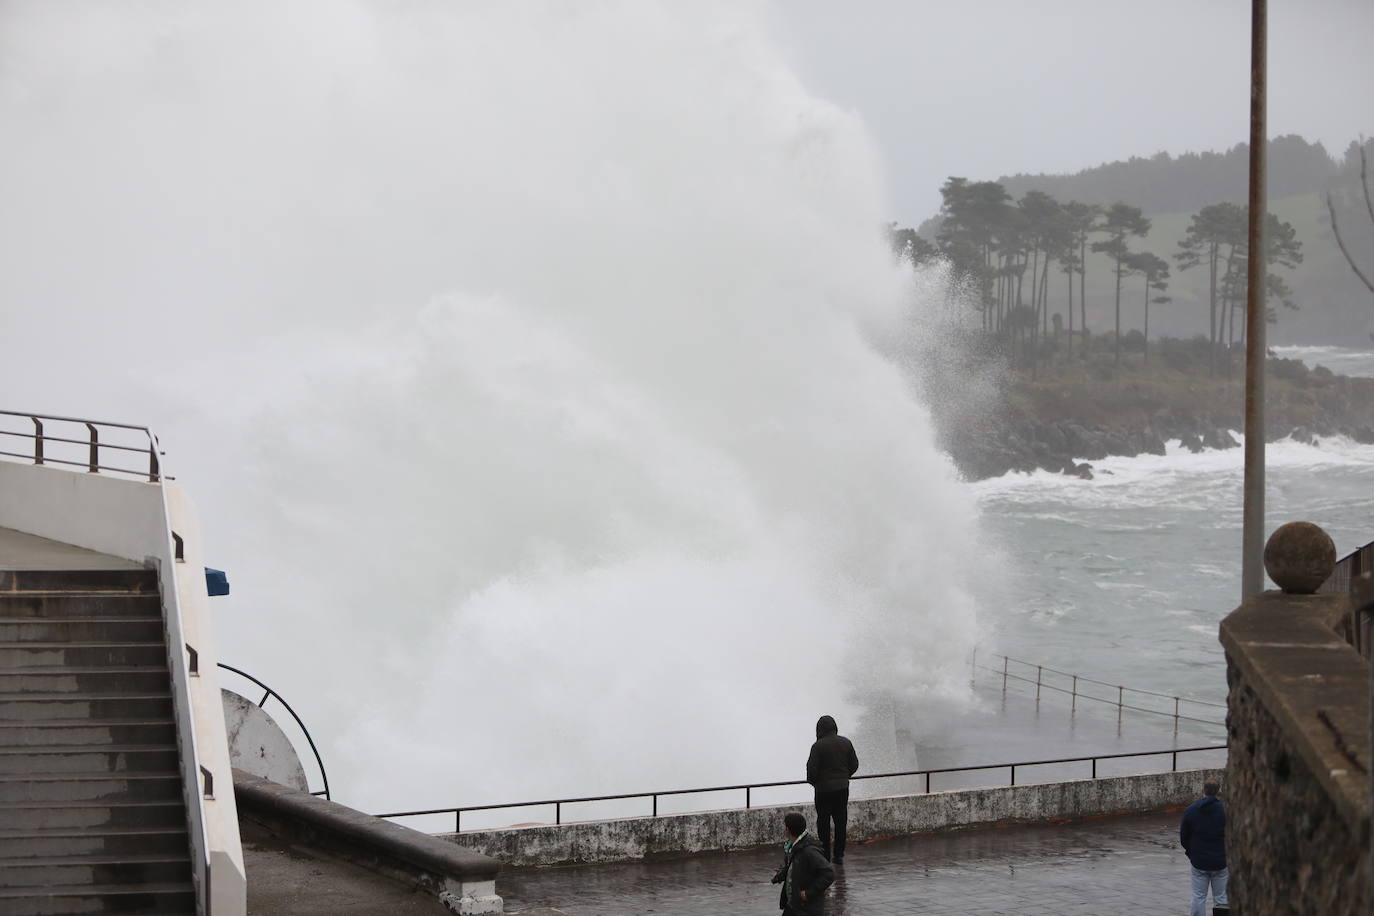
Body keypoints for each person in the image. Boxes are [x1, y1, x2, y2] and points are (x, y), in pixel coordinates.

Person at [806, 715, 858, 864]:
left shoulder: (818, 746)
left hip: (823, 791)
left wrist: (815, 782)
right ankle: (839, 855)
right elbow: (854, 764)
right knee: (841, 821)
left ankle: (825, 855)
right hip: (842, 789)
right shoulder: (846, 743)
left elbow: (811, 770)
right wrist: (844, 776)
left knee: (823, 822)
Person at [770, 812, 834, 915]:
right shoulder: (794, 846)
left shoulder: (808, 851)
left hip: (806, 909)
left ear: (788, 830)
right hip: (794, 904)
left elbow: (829, 874)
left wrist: (808, 893)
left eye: (785, 827)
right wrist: (782, 874)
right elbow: (795, 868)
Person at [1180, 779, 1228, 916]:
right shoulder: (1226, 811)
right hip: (1221, 861)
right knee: (1221, 898)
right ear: (1219, 791)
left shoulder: (1190, 811)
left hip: (1199, 861)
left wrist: (1191, 853)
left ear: (1203, 790)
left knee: (1198, 896)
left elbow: (1184, 837)